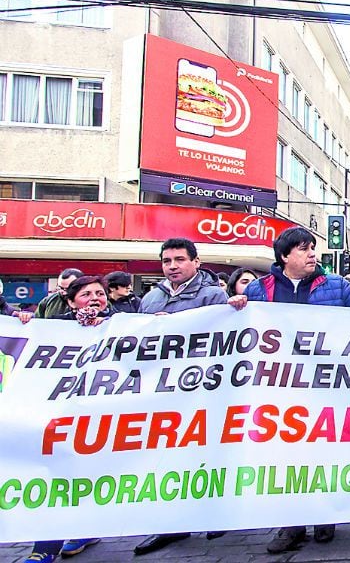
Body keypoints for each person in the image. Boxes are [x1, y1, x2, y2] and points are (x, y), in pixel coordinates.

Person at [231, 226, 350, 553]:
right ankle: (292, 525)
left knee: (325, 452)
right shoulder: (261, 290)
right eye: (304, 249)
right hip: (281, 389)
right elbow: (240, 327)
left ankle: (324, 518)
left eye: (313, 248)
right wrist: (235, 308)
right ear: (285, 256)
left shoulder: (335, 285)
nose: (312, 254)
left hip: (327, 386)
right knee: (288, 457)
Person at [133, 238, 228, 556]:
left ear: (196, 262)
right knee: (167, 457)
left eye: (179, 259)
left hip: (203, 389)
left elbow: (224, 338)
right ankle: (171, 525)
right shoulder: (150, 298)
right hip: (163, 392)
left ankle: (213, 514)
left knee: (207, 454)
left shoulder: (213, 295)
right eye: (167, 261)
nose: (172, 266)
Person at [24, 275, 115, 562]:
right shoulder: (53, 328)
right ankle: (44, 550)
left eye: (100, 293)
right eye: (86, 294)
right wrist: (25, 322)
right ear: (70, 300)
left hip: (106, 417)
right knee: (59, 479)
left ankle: (85, 530)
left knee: (92, 479)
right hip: (64, 417)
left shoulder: (124, 323)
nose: (95, 299)